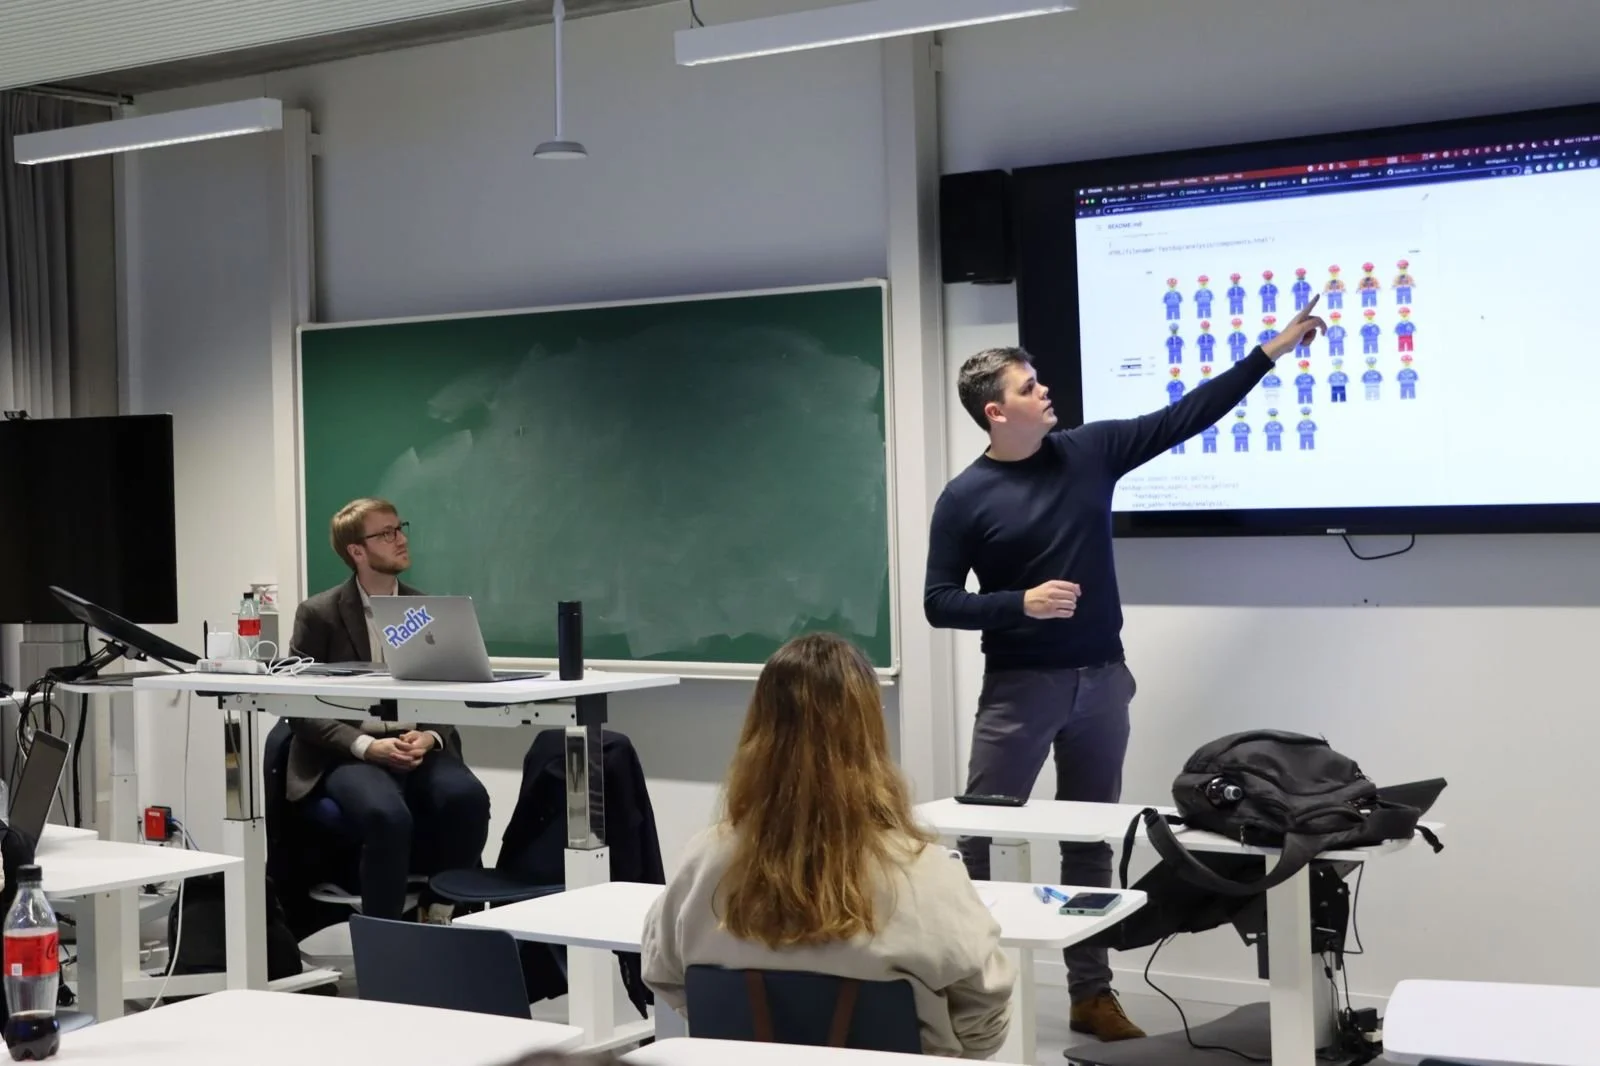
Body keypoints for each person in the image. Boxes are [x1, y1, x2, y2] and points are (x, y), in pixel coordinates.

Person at [924, 298, 1325, 1041]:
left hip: (1103, 682)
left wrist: (1269, 352)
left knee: (1089, 843)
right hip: (1019, 690)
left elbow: (1186, 415)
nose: (1044, 391)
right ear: (993, 412)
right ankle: (964, 990)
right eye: (1026, 385)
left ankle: (1090, 993)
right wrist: (1020, 603)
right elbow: (939, 602)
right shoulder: (965, 499)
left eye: (1038, 380)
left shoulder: (1091, 452)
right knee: (975, 835)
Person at [641, 633, 1014, 1059]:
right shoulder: (926, 873)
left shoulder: (703, 861)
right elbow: (985, 1022)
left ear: (758, 729)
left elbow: (665, 974)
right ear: (871, 733)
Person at [287, 497, 490, 921]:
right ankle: (386, 938)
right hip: (348, 752)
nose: (400, 540)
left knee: (468, 799)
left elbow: (448, 686)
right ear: (356, 552)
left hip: (418, 744)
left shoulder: (427, 608)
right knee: (385, 815)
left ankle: (439, 909)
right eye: (386, 533)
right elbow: (300, 708)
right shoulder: (319, 615)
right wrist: (364, 745)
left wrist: (430, 735)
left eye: (400, 529)